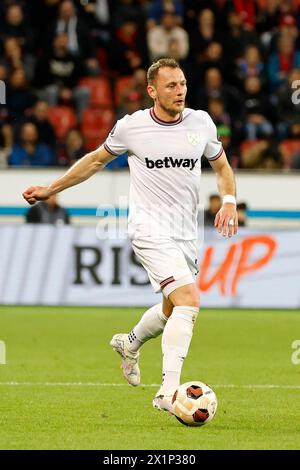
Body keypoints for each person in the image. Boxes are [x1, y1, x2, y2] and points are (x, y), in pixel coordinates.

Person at [22, 58, 238, 414]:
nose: (180, 90)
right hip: (149, 228)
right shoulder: (132, 128)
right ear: (152, 90)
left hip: (186, 233)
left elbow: (222, 167)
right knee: (188, 300)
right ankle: (168, 392)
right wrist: (51, 188)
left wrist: (228, 201)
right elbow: (93, 161)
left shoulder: (201, 123)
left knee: (172, 309)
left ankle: (130, 343)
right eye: (171, 85)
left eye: (182, 83)